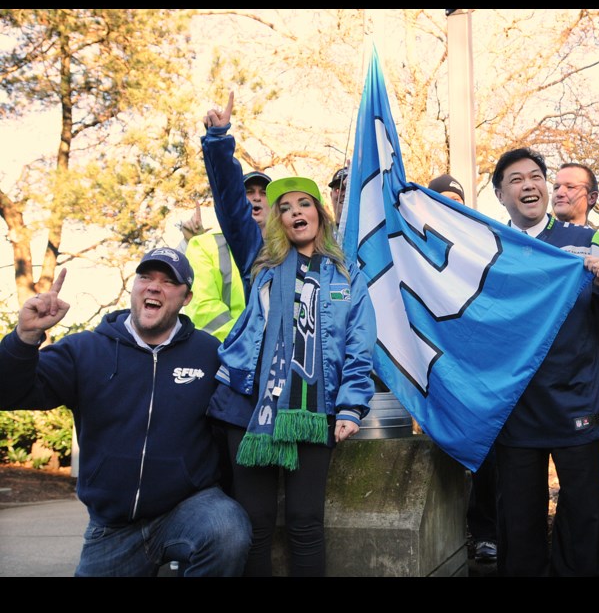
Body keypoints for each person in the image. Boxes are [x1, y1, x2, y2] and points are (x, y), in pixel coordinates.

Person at [201, 91, 377, 577]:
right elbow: (231, 203)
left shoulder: (347, 277)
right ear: (276, 219)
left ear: (320, 212)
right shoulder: (260, 260)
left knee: (304, 523)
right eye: (285, 206)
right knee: (253, 525)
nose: (295, 211)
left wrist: (350, 406)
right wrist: (219, 141)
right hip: (246, 406)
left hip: (315, 409)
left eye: (305, 203)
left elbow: (359, 349)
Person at [0, 249, 252, 577]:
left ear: (186, 297)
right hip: (113, 528)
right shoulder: (85, 350)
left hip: (187, 509)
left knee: (228, 530)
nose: (154, 287)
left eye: (168, 281)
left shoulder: (208, 354)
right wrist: (25, 336)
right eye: (146, 277)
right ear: (133, 287)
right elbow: (9, 392)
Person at [491, 147, 599, 576]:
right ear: (500, 194)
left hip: (578, 404)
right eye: (516, 179)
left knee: (586, 521)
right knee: (519, 528)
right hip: (515, 410)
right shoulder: (488, 248)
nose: (529, 185)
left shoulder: (584, 241)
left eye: (536, 176)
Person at [427, 172, 498, 563]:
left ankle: (486, 531)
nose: (453, 206)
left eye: (459, 199)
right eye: (444, 199)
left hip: (478, 369)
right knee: (440, 454)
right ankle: (449, 533)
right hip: (434, 365)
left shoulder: (481, 244)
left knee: (487, 455)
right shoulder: (413, 243)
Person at [182, 171, 272, 341]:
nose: (257, 198)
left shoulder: (287, 252)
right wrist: (249, 341)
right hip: (226, 355)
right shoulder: (203, 245)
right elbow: (203, 310)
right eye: (249, 192)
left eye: (264, 193)